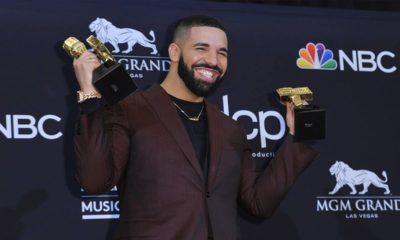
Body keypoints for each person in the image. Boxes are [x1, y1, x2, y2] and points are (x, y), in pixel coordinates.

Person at [73, 15, 317, 240]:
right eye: (201, 48)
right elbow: (95, 182)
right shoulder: (131, 109)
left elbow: (259, 204)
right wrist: (89, 94)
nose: (213, 61)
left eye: (222, 53)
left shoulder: (231, 128)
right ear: (174, 52)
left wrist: (298, 137)